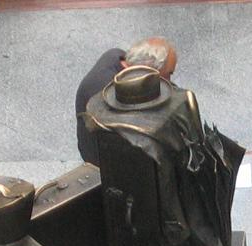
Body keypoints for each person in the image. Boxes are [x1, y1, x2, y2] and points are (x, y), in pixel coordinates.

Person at [75, 37, 177, 165]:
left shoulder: (117, 55)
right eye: (168, 74)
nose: (169, 81)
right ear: (148, 70)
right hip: (104, 162)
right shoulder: (110, 94)